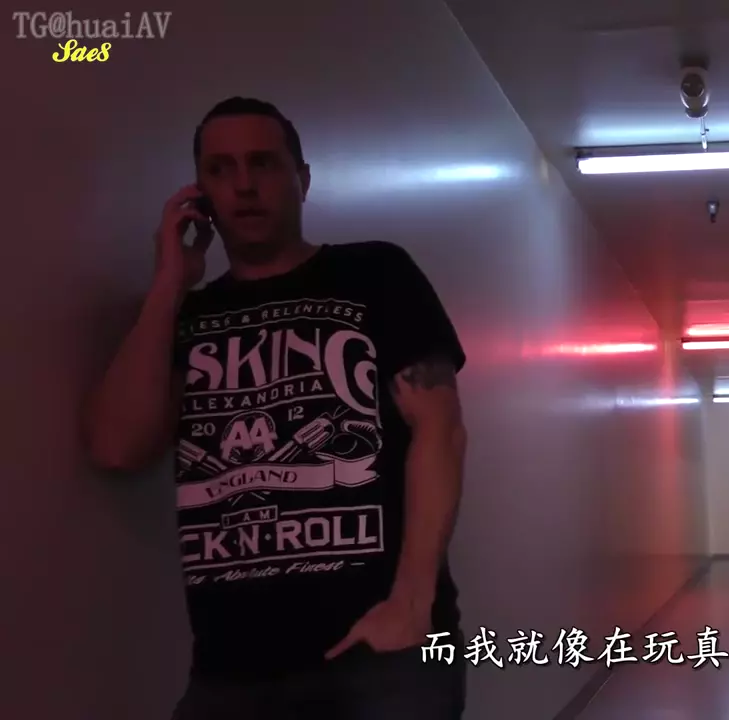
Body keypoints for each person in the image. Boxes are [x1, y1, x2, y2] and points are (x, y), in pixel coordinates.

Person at [82, 97, 468, 719]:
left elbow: (440, 432)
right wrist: (169, 283)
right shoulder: (188, 317)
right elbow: (116, 446)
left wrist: (412, 601)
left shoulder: (375, 272)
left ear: (302, 178)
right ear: (201, 194)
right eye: (220, 169)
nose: (243, 185)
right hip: (230, 670)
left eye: (262, 163)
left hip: (383, 654)